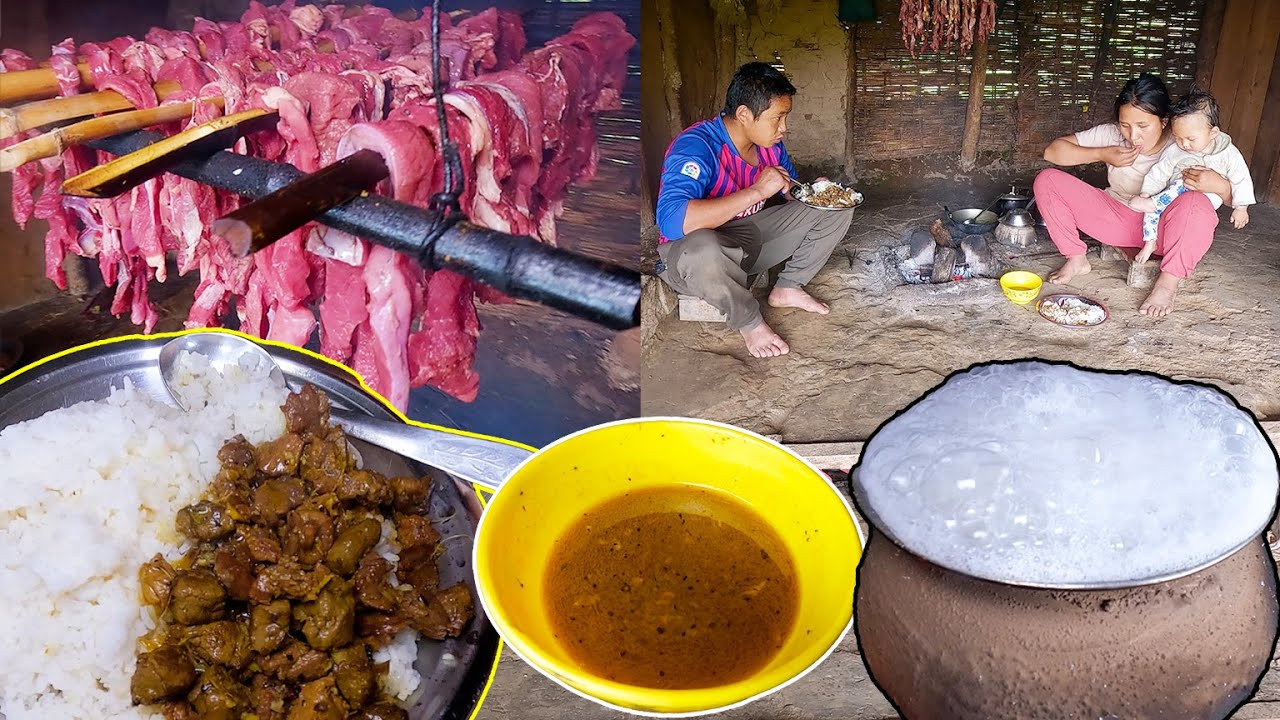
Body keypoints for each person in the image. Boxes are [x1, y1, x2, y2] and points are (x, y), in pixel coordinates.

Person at [654, 62, 854, 358]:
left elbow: (788, 193)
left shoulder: (770, 147)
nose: (784, 128)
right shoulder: (697, 146)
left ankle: (787, 287)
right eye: (778, 118)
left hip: (743, 240)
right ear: (745, 115)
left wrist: (813, 192)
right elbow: (671, 223)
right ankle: (749, 322)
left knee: (837, 206)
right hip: (692, 259)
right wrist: (757, 192)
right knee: (703, 248)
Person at [1034, 73, 1237, 317]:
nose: (1133, 135)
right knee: (1047, 180)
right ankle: (1076, 258)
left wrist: (1219, 185)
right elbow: (1052, 152)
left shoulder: (1185, 142)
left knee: (1195, 202)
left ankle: (1167, 283)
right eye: (1125, 125)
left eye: (1143, 126)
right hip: (1118, 222)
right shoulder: (1111, 136)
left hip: (1168, 232)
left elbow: (1232, 199)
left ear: (1164, 121)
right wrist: (1103, 154)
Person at [1128, 89, 1253, 264]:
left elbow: (1241, 178)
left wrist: (1241, 207)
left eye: (1191, 139)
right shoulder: (1175, 150)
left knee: (1187, 180)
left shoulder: (1228, 154)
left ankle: (1154, 203)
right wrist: (1147, 192)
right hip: (1170, 197)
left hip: (1205, 198)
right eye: (1178, 138)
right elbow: (1160, 171)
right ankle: (1150, 242)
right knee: (1150, 210)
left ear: (1213, 133)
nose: (1184, 144)